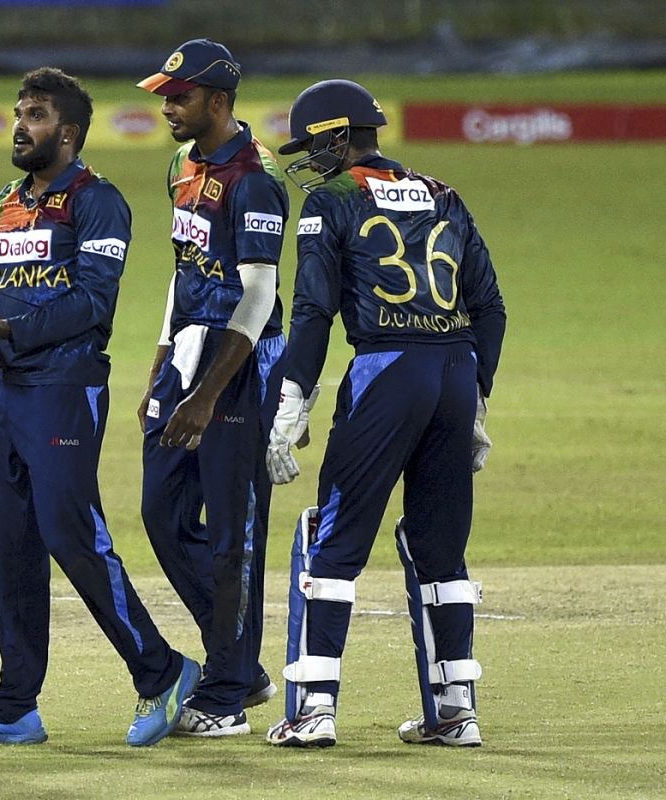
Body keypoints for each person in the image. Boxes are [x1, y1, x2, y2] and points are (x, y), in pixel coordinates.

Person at [0, 67, 199, 748]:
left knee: (71, 535)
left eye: (34, 114)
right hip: (7, 395)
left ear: (69, 131)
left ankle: (164, 670)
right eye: (19, 112)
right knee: (15, 547)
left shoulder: (98, 201)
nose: (20, 125)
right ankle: (13, 706)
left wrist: (7, 328)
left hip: (66, 389)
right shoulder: (5, 201)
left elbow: (94, 301)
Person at [263, 79, 506, 748]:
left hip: (385, 372)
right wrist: (478, 391)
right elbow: (490, 307)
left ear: (342, 137)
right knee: (438, 547)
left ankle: (313, 710)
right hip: (455, 373)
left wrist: (292, 400)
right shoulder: (445, 195)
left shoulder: (329, 201)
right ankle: (456, 713)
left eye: (315, 144)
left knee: (333, 538)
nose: (309, 158)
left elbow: (312, 311)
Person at [134, 39, 289, 737]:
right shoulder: (180, 164)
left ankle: (226, 692)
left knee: (234, 538)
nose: (168, 106)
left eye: (181, 96)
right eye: (166, 95)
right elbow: (184, 266)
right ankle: (241, 660)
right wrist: (163, 364)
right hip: (187, 357)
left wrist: (206, 396)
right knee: (161, 514)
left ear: (218, 102)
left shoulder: (256, 180)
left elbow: (259, 296)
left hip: (240, 368)